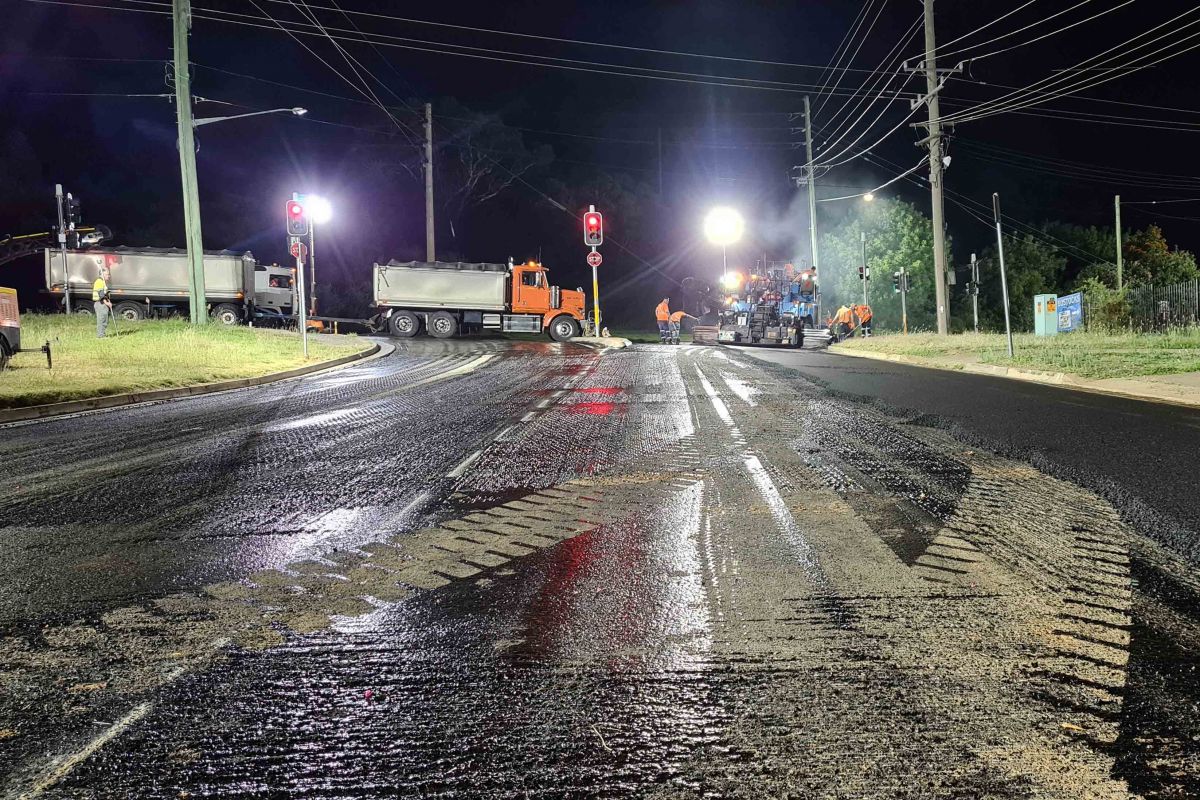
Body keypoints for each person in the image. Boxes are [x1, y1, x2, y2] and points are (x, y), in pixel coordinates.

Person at [93, 266, 113, 338]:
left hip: (102, 304)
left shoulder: (102, 282)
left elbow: (104, 293)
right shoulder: (99, 282)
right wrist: (107, 303)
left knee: (105, 320)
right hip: (100, 304)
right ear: (103, 274)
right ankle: (100, 336)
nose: (109, 276)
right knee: (102, 320)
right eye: (107, 274)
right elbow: (101, 295)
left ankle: (102, 334)